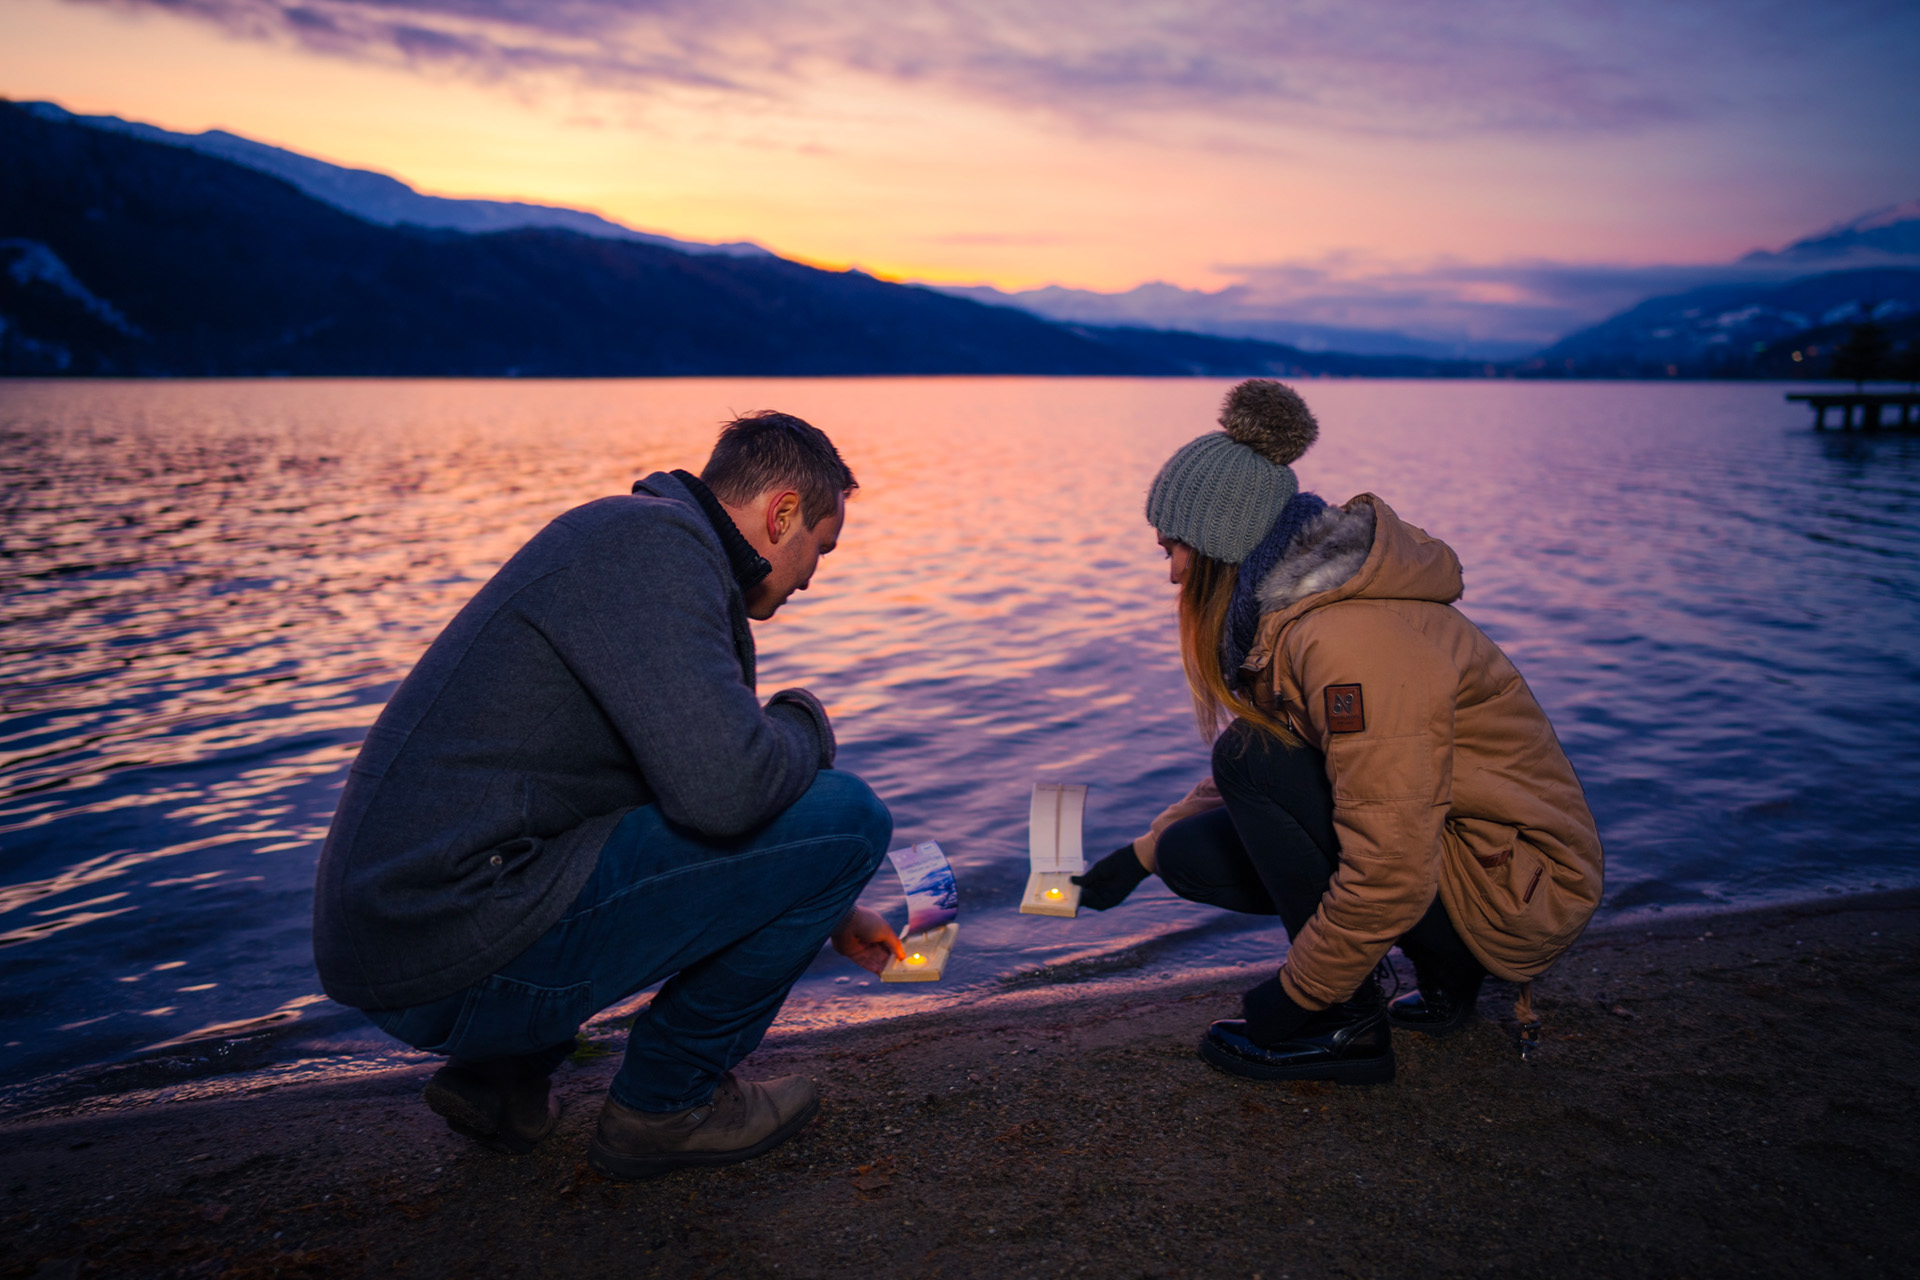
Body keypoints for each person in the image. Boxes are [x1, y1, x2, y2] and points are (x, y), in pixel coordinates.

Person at [313, 411, 903, 1178]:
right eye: (820, 549)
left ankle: (502, 1079)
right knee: (852, 819)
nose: (814, 575)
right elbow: (726, 794)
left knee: (748, 824)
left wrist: (827, 903)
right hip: (447, 948)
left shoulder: (633, 546)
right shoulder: (653, 550)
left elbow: (664, 796)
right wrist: (805, 722)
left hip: (414, 936)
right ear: (781, 512)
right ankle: (669, 1105)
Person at [1073, 381, 1604, 1084]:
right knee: (1187, 850)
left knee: (1246, 758)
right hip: (1468, 856)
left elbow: (1390, 861)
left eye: (1174, 551)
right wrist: (1139, 856)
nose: (1171, 575)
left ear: (1222, 548)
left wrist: (1299, 997)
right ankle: (1446, 982)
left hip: (1515, 894)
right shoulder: (1298, 614)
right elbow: (1323, 770)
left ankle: (1347, 1027)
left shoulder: (1348, 639)